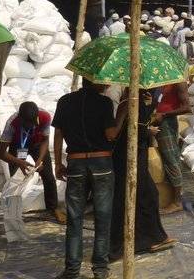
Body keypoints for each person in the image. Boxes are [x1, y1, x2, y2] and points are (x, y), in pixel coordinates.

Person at [52, 78, 125, 279]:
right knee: (103, 217)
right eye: (105, 81)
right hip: (101, 163)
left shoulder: (64, 101)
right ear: (97, 82)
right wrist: (123, 114)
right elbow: (111, 135)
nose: (108, 85)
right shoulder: (104, 103)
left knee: (74, 219)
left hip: (75, 163)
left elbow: (58, 134)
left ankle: (72, 270)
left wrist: (58, 163)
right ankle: (100, 270)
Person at [109, 89, 176, 260]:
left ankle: (145, 240)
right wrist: (148, 132)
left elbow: (138, 125)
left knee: (141, 197)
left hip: (136, 156)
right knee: (145, 196)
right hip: (128, 158)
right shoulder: (127, 104)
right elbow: (125, 131)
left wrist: (150, 107)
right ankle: (146, 240)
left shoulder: (139, 102)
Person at [0, 101, 65, 223]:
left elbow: (45, 140)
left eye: (32, 123)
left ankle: (53, 208)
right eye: (26, 124)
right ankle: (13, 213)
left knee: (48, 176)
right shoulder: (12, 123)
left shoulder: (45, 117)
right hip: (18, 146)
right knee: (15, 180)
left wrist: (40, 159)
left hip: (38, 144)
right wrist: (19, 162)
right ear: (20, 118)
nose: (30, 126)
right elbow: (1, 153)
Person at [152, 81, 191, 214]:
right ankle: (171, 197)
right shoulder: (162, 81)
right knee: (167, 158)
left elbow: (187, 107)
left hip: (166, 123)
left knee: (171, 159)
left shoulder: (178, 82)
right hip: (158, 120)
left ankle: (177, 201)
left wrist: (164, 115)